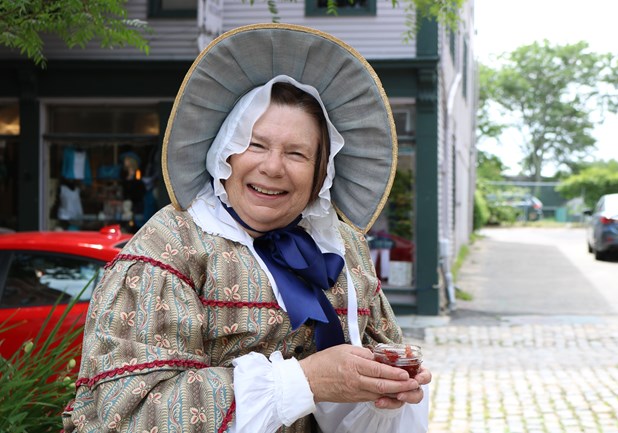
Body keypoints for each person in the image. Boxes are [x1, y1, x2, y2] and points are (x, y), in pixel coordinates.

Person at [62, 23, 431, 433]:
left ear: (319, 174)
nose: (272, 167)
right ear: (225, 154)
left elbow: (372, 368)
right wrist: (305, 381)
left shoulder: (344, 250)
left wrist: (384, 392)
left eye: (296, 153)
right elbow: (133, 414)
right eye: (255, 145)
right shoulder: (170, 245)